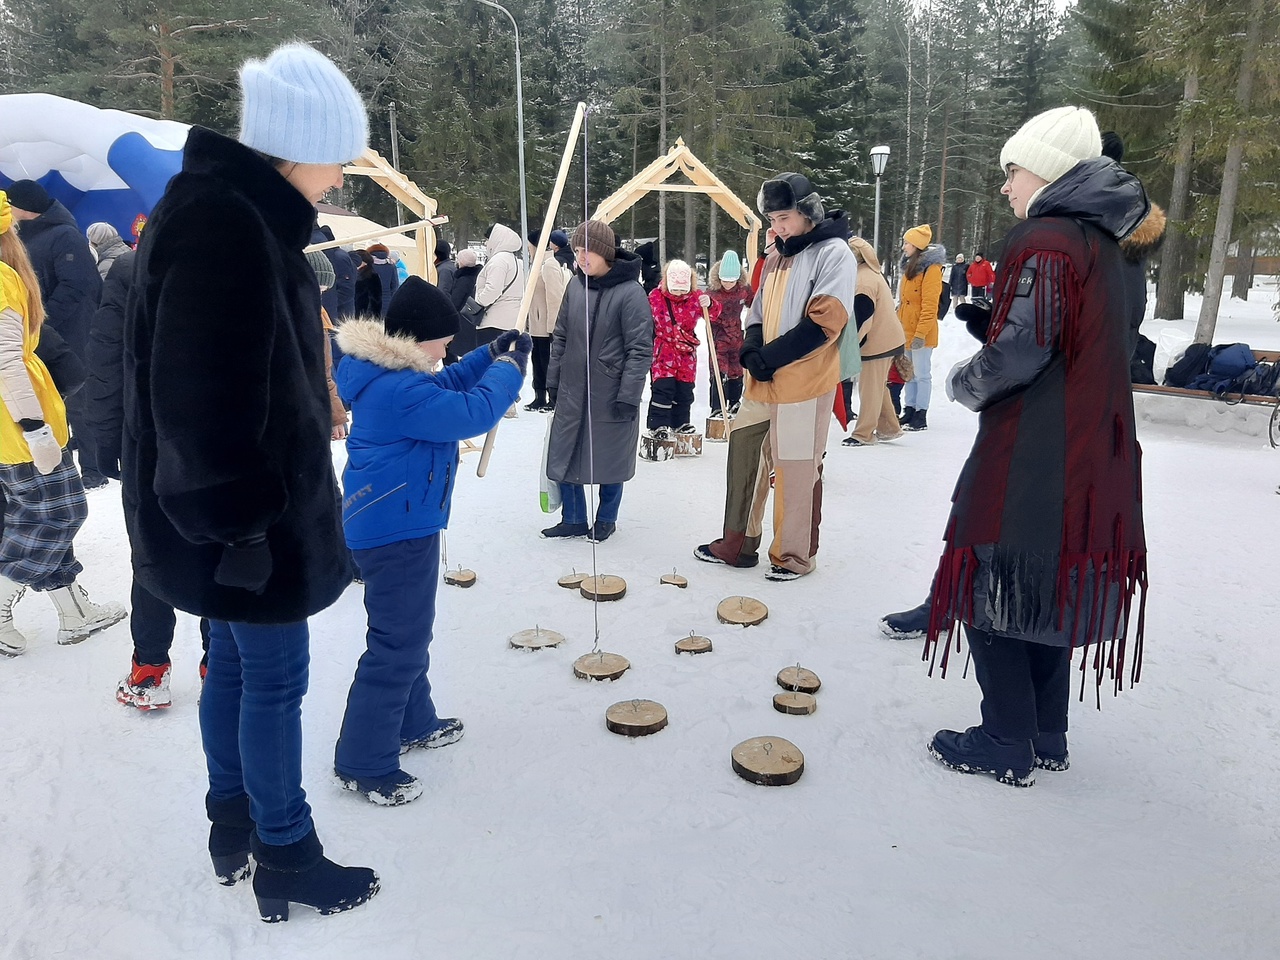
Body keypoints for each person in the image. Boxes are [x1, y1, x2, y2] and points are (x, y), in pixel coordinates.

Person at [122, 43, 378, 920]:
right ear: (298, 145)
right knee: (269, 679)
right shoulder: (226, 224)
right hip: (249, 528)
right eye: (338, 154)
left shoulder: (222, 213)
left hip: (235, 523)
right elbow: (199, 390)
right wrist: (240, 525)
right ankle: (287, 853)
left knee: (231, 667)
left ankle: (231, 823)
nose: (342, 174)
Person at [923, 105, 1150, 787]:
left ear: (1046, 171)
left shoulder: (1047, 237)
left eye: (1013, 170)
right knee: (1046, 585)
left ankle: (1006, 740)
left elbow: (1022, 350)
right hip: (1088, 447)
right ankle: (1047, 732)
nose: (1006, 186)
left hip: (1036, 449)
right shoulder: (1101, 243)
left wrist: (966, 380)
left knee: (995, 581)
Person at [332, 278, 528, 805]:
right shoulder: (400, 390)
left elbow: (450, 384)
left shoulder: (393, 374)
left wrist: (490, 354)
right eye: (442, 342)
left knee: (408, 632)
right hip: (395, 530)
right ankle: (363, 761)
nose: (447, 351)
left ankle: (413, 721)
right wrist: (509, 372)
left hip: (397, 523)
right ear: (418, 340)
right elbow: (472, 412)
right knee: (397, 644)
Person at [694, 172, 855, 581]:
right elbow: (761, 309)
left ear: (806, 212)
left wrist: (773, 356)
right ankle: (738, 542)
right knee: (744, 453)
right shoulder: (779, 254)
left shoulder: (834, 253)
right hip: (763, 381)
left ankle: (793, 554)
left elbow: (827, 321)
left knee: (796, 469)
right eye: (772, 219)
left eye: (783, 217)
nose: (776, 226)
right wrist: (751, 346)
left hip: (805, 380)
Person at [0, 189, 127, 659]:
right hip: (19, 423)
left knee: (29, 513)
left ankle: (73, 613)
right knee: (60, 513)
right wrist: (36, 431)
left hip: (11, 421)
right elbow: (7, 363)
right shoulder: (3, 278)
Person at [543, 220, 652, 543]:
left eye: (586, 250)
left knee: (610, 455)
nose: (580, 257)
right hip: (572, 387)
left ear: (605, 252)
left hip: (611, 392)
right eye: (577, 250)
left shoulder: (631, 293)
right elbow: (560, 334)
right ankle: (574, 518)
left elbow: (640, 348)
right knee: (566, 451)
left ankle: (606, 518)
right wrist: (553, 377)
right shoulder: (575, 285)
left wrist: (629, 395)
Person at [6, 179, 106, 489]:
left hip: (67, 333)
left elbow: (77, 286)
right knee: (46, 397)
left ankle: (94, 467)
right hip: (35, 336)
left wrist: (38, 321)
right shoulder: (24, 239)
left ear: (24, 209)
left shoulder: (64, 235)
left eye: (11, 207)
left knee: (80, 399)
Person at [841, 236, 905, 447]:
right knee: (877, 386)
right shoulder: (869, 274)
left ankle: (863, 434)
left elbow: (862, 319)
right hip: (886, 338)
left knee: (869, 388)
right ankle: (889, 427)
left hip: (878, 342)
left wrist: (851, 346)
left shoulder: (863, 281)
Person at [647, 259, 714, 438]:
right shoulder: (655, 297)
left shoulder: (695, 298)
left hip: (686, 353)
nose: (678, 294)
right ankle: (658, 424)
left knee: (684, 391)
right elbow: (643, 319)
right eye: (675, 289)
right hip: (664, 351)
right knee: (663, 389)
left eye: (682, 290)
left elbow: (714, 315)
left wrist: (711, 304)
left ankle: (681, 422)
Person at [896, 223, 946, 432]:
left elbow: (929, 305)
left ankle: (921, 413)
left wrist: (921, 334)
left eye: (907, 243)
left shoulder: (931, 270)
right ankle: (909, 408)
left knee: (922, 373)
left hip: (920, 331)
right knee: (909, 373)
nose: (904, 246)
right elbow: (904, 301)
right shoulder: (910, 267)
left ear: (917, 245)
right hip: (905, 328)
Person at [525, 229, 571, 411]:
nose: (528, 249)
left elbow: (555, 297)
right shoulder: (538, 264)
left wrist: (554, 326)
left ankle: (552, 397)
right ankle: (539, 395)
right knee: (538, 360)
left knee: (548, 362)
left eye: (530, 246)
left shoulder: (549, 264)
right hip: (538, 324)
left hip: (546, 325)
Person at [707, 251, 752, 417]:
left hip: (736, 336)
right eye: (724, 280)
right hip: (717, 336)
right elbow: (704, 308)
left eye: (731, 281)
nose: (727, 284)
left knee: (736, 369)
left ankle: (734, 402)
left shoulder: (743, 290)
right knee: (718, 371)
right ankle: (717, 407)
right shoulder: (713, 292)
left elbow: (753, 302)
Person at [469, 223, 526, 349]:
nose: (486, 243)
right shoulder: (516, 261)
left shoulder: (498, 261)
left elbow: (493, 290)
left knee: (488, 361)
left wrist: (478, 301)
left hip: (493, 321)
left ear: (496, 239)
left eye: (488, 239)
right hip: (510, 320)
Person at [366, 243, 399, 315]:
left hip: (370, 301)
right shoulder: (391, 266)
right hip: (387, 302)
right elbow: (395, 286)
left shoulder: (368, 265)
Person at [353, 249, 382, 317]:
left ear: (364, 262)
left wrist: (370, 314)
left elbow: (376, 297)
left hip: (364, 311)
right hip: (354, 309)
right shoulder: (353, 272)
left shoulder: (372, 275)